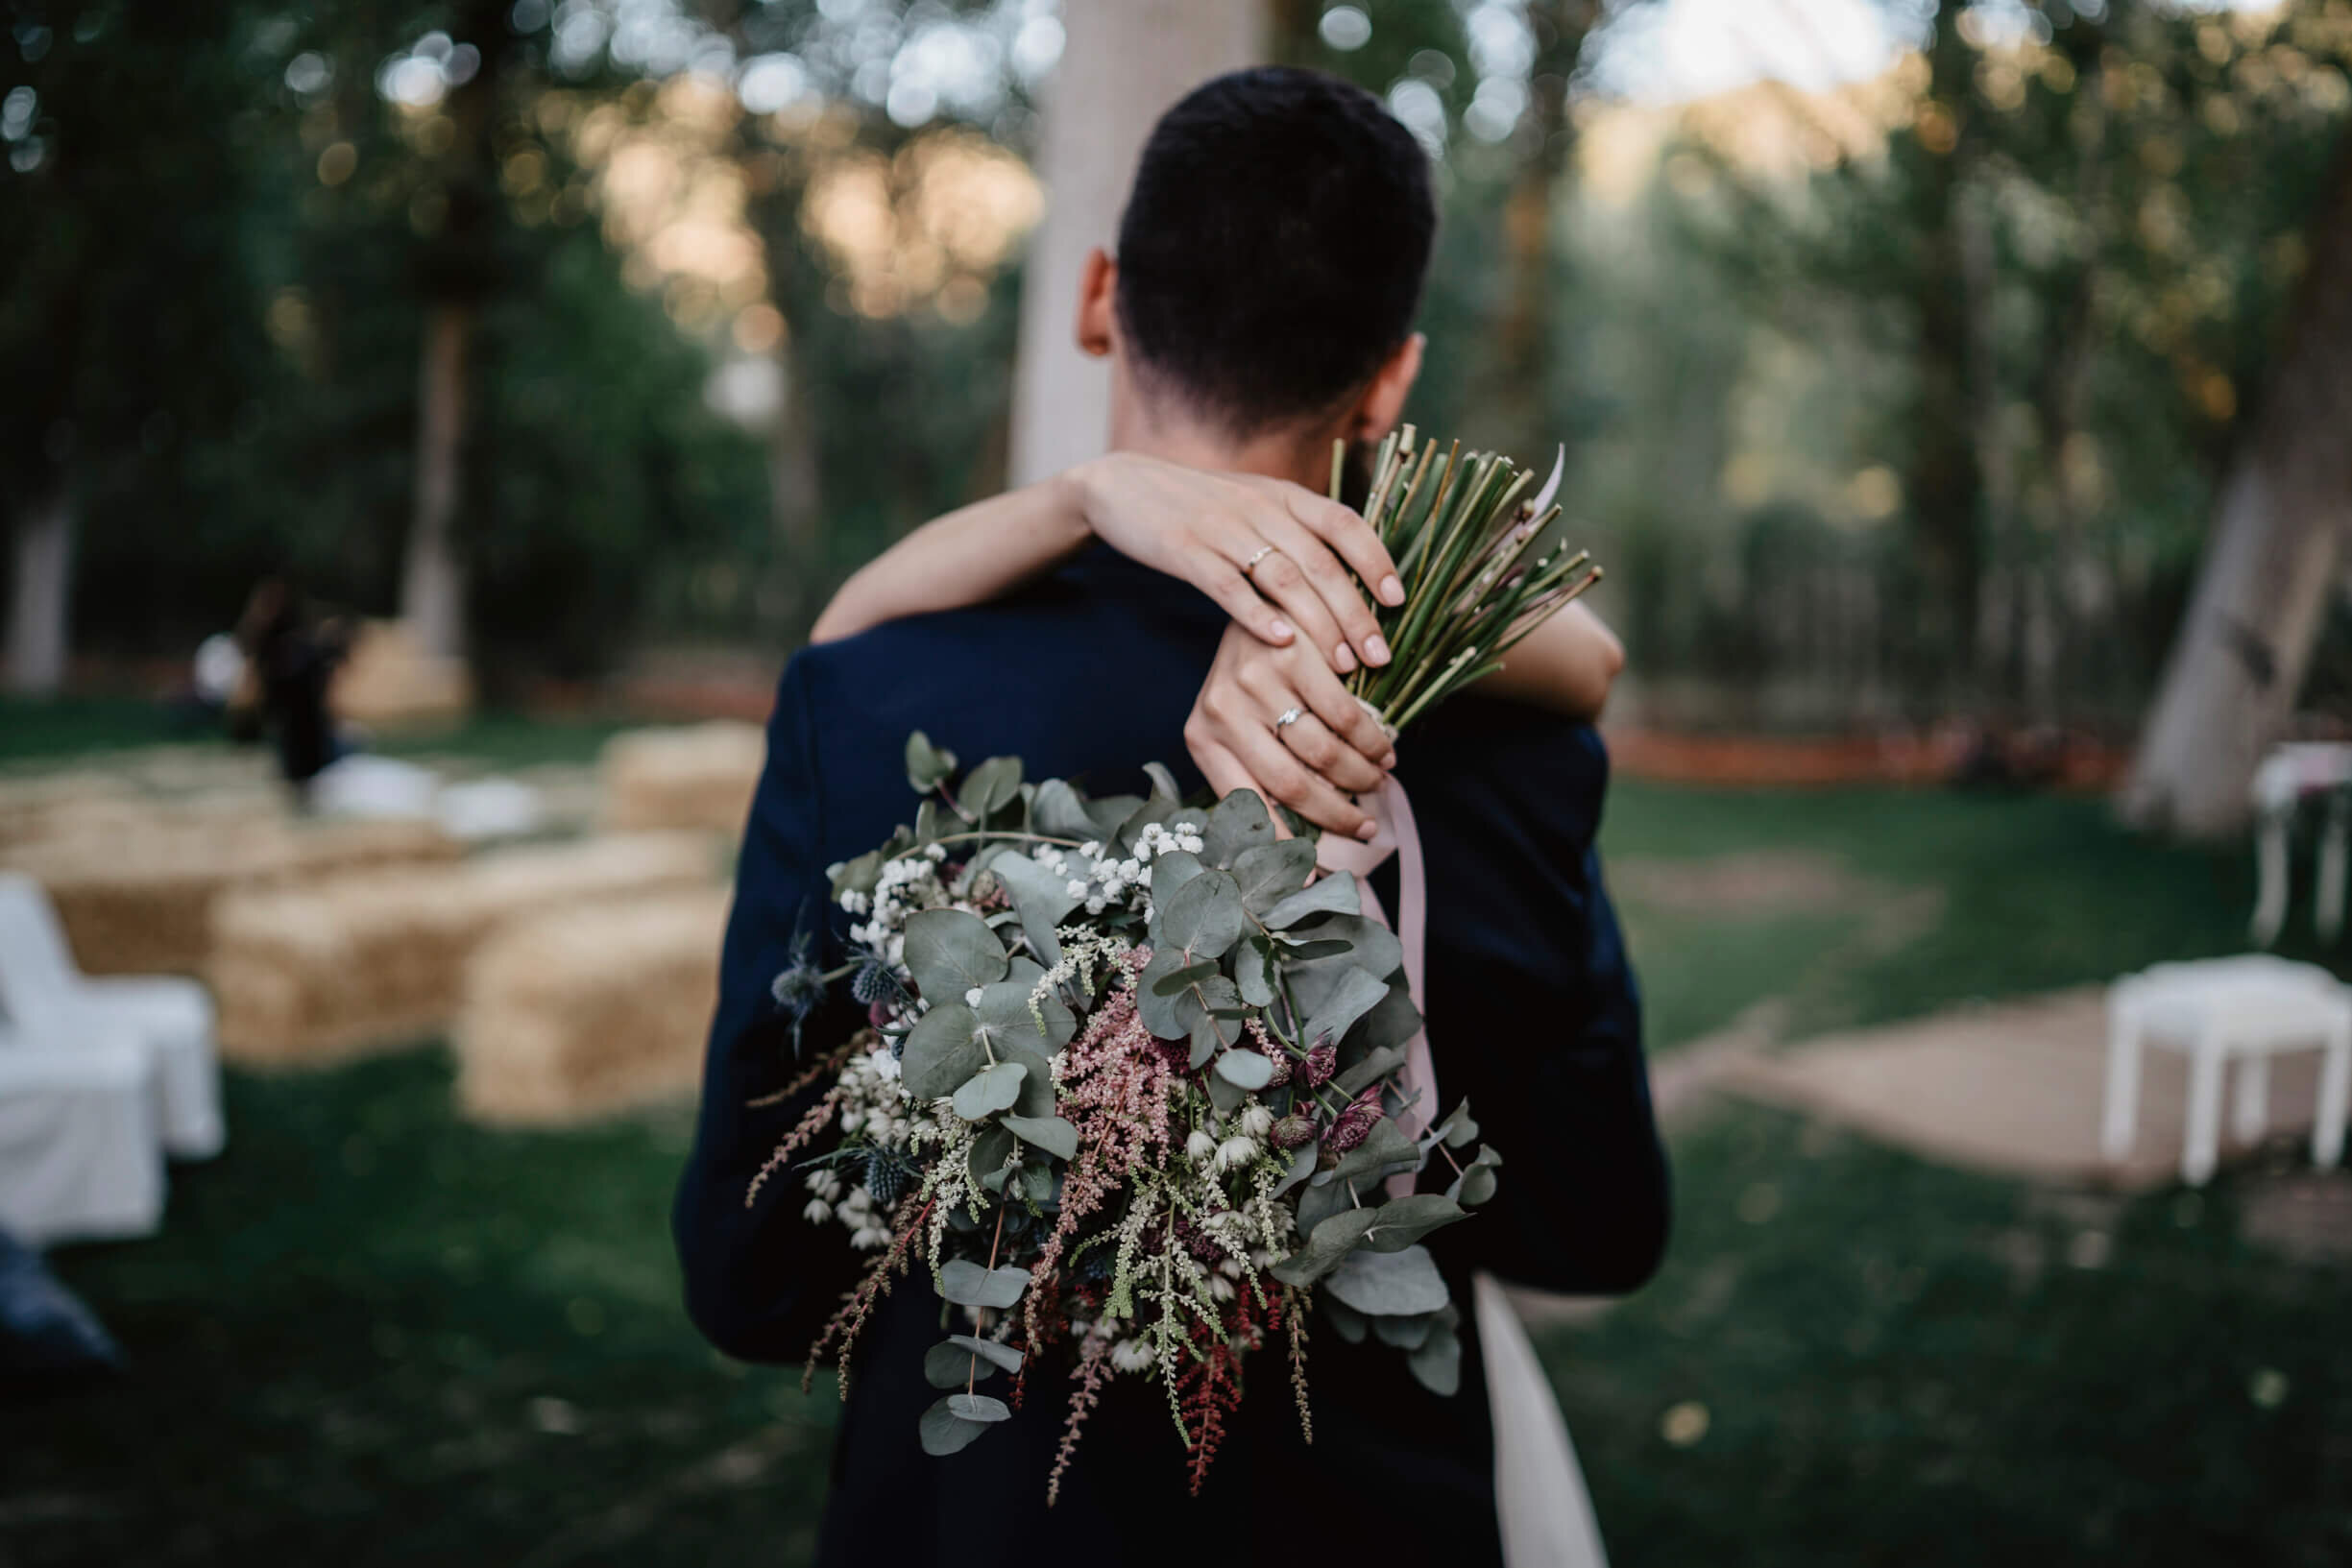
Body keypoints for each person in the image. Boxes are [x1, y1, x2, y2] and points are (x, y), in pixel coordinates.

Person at [672, 66, 1668, 1568]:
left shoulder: (868, 699)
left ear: (1097, 297)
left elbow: (750, 1280)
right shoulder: (1506, 748)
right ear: (1387, 381)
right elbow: (1595, 1225)